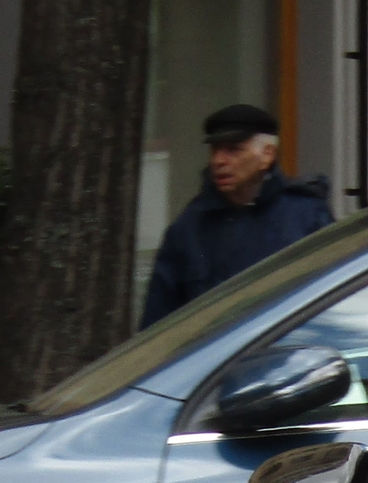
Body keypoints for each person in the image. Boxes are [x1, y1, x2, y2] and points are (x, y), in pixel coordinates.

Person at [140, 104, 332, 327]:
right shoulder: (190, 226)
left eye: (233, 150)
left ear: (267, 155)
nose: (218, 162)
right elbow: (157, 324)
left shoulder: (306, 216)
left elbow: (334, 304)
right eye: (215, 151)